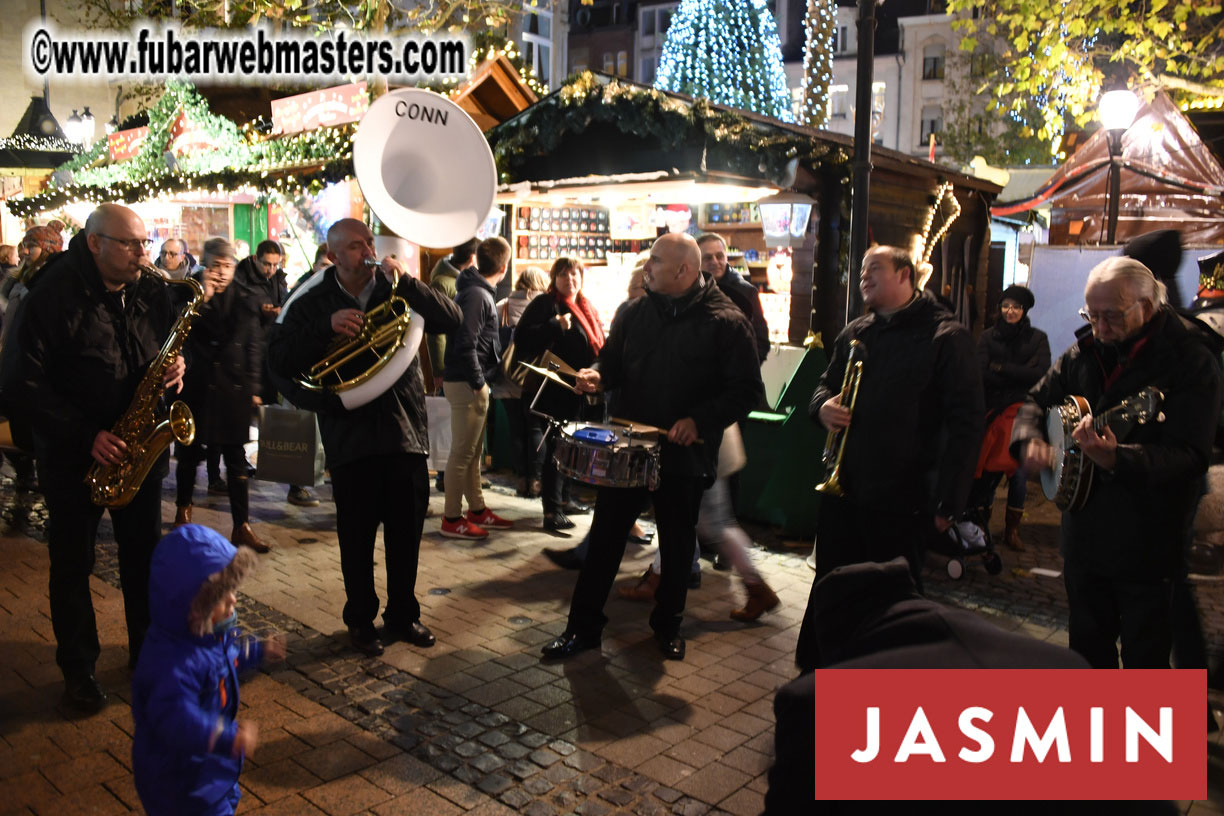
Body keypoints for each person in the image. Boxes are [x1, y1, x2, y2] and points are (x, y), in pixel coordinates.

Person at [540, 232, 764, 662]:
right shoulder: (635, 311)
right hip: (629, 446)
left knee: (677, 548)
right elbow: (612, 361)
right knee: (605, 539)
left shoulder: (726, 320)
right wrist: (598, 375)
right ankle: (582, 629)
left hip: (685, 455)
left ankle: (668, 627)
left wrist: (699, 420)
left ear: (683, 270)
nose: (647, 267)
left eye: (656, 261)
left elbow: (746, 391)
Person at [3, 203, 187, 712]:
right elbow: (20, 383)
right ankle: (79, 669)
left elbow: (164, 350)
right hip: (73, 457)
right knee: (72, 564)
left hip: (138, 449)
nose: (143, 255)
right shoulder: (49, 296)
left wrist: (177, 368)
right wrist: (86, 435)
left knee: (144, 558)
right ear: (94, 243)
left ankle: (147, 653)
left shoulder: (151, 290)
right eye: (130, 244)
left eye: (145, 243)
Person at [1013, 256, 1222, 669]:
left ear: (1147, 305)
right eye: (1091, 315)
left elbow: (1191, 455)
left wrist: (1118, 459)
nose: (1099, 327)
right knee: (1086, 652)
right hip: (1084, 537)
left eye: (1111, 316)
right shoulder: (1085, 350)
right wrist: (1029, 439)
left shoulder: (1191, 359)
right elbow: (1035, 399)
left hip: (1148, 541)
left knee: (1146, 659)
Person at [267, 218, 462, 657]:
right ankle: (360, 619)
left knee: (406, 534)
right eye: (357, 246)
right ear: (333, 256)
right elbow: (278, 361)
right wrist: (325, 328)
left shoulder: (397, 288)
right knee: (356, 538)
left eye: (370, 243)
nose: (369, 252)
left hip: (404, 433)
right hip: (350, 437)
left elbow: (452, 319)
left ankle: (403, 614)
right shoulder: (311, 300)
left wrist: (408, 282)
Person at [797, 244, 983, 672]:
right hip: (846, 491)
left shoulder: (946, 337)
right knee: (832, 585)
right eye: (861, 269)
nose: (863, 276)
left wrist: (949, 501)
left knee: (892, 598)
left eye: (874, 268)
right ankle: (817, 678)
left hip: (903, 497)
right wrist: (822, 407)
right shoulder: (855, 332)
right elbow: (824, 385)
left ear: (905, 275)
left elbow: (966, 425)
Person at [131, 524, 285, 816]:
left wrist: (258, 650)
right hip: (180, 781)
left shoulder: (206, 637)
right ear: (195, 605)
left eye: (232, 590)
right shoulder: (174, 661)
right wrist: (225, 736)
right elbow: (176, 718)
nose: (233, 599)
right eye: (222, 595)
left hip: (208, 769)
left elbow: (229, 659)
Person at [172, 238, 268, 553]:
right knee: (188, 455)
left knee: (236, 461)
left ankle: (242, 525)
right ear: (204, 264)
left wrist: (254, 387)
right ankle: (183, 511)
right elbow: (175, 333)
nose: (222, 272)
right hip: (197, 386)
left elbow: (253, 345)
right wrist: (201, 299)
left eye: (228, 266)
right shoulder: (188, 293)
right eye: (216, 265)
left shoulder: (245, 297)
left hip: (233, 388)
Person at [513, 257, 605, 531]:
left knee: (571, 447)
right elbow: (522, 338)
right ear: (554, 279)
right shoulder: (546, 304)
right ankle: (552, 510)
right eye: (563, 275)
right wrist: (554, 325)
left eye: (574, 274)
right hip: (553, 390)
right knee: (558, 448)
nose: (570, 280)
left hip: (577, 390)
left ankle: (564, 499)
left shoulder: (586, 307)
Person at [231, 239, 318, 508]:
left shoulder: (279, 280)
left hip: (274, 356)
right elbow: (240, 314)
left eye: (275, 265)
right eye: (266, 264)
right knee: (246, 422)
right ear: (255, 259)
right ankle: (240, 470)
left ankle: (294, 484)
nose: (270, 269)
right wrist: (260, 310)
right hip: (249, 359)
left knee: (284, 421)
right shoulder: (240, 280)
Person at [439, 236, 515, 540]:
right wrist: (478, 382)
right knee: (462, 454)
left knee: (471, 454)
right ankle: (451, 519)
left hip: (468, 381)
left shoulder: (476, 292)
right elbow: (465, 343)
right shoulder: (478, 296)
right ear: (504, 267)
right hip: (467, 384)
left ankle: (477, 510)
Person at [969, 284, 1050, 550]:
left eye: (1015, 307)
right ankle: (981, 524)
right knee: (989, 471)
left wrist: (1001, 367)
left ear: (1024, 310)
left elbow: (1040, 374)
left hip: (1022, 411)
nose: (1010, 311)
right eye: (1005, 306)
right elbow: (981, 372)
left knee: (1018, 473)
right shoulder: (988, 337)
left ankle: (1012, 530)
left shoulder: (1037, 338)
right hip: (992, 410)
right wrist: (1019, 372)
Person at [490, 266, 549, 498]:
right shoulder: (544, 306)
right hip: (533, 378)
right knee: (535, 428)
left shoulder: (502, 306)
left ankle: (522, 480)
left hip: (506, 379)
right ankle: (536, 480)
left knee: (516, 430)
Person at [697, 232, 770, 363]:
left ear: (726, 257)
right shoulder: (689, 292)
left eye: (719, 256)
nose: (715, 262)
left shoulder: (746, 292)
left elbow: (761, 339)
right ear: (697, 261)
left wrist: (745, 368)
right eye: (708, 258)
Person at [426, 237, 478, 391]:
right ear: (473, 258)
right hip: (451, 366)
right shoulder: (442, 284)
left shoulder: (461, 279)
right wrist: (439, 371)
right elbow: (435, 331)